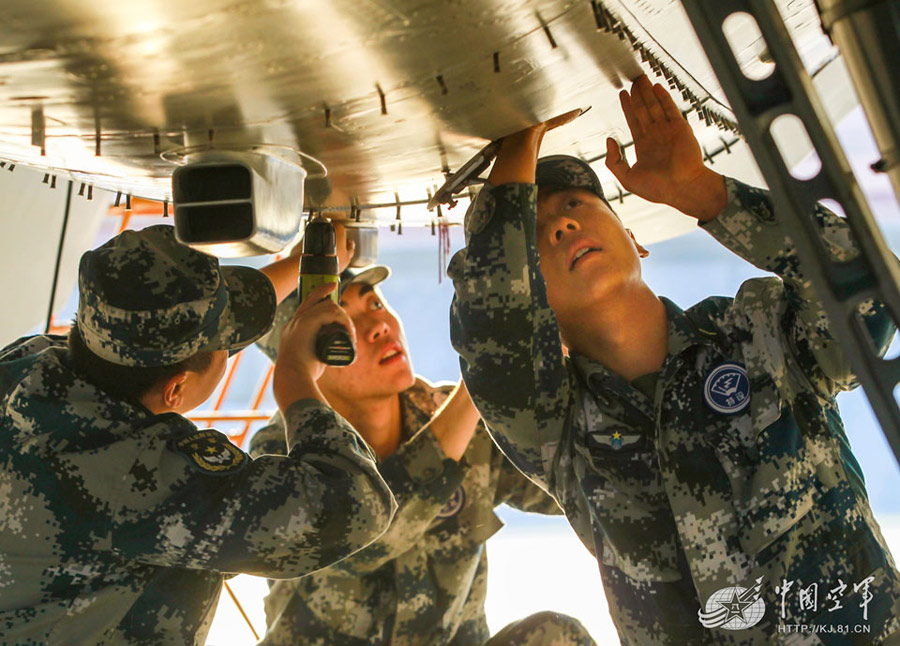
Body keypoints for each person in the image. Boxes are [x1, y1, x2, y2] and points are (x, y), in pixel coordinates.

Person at [448, 74, 900, 644]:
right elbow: (494, 321)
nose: (561, 223)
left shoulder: (759, 332)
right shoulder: (557, 431)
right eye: (535, 234)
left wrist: (702, 190)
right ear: (529, 295)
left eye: (575, 204)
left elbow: (872, 299)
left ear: (633, 238)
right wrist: (520, 140)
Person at [0, 224, 396, 644]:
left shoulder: (29, 365)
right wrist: (295, 378)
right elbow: (356, 504)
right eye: (228, 343)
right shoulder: (137, 478)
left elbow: (167, 344)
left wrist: (300, 266)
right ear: (176, 390)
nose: (231, 347)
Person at [249, 261, 597, 646]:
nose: (377, 327)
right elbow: (361, 543)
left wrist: (577, 354)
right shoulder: (279, 455)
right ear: (305, 357)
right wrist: (482, 377)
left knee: (558, 637)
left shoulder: (459, 417)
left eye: (376, 305)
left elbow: (578, 484)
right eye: (343, 320)